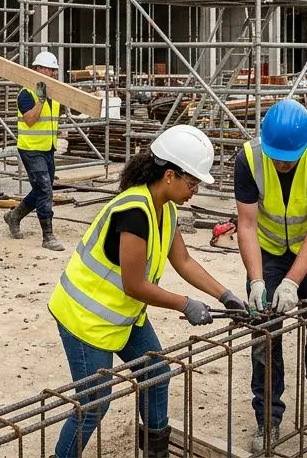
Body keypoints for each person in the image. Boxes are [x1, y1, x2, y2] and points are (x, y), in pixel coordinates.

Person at [48, 125, 245, 458]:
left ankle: (156, 451)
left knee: (156, 374)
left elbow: (182, 259)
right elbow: (135, 285)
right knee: (94, 402)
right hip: (84, 319)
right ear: (170, 175)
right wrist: (185, 304)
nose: (194, 191)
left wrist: (224, 294)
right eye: (192, 182)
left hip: (123, 315)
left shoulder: (164, 209)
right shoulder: (134, 213)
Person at [235, 98, 307, 454]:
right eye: (276, 155)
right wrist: (257, 280)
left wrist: (292, 282)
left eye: (289, 157)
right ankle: (267, 419)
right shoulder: (249, 157)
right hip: (268, 249)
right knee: (265, 331)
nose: (282, 163)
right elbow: (247, 224)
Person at [4, 50, 65, 251]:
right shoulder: (26, 93)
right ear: (38, 70)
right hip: (30, 149)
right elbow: (30, 120)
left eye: (55, 71)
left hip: (47, 148)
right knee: (45, 189)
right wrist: (40, 100)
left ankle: (14, 216)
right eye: (50, 70)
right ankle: (48, 236)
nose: (54, 74)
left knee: (41, 189)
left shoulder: (54, 95)